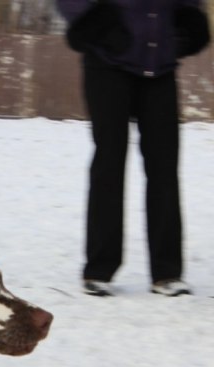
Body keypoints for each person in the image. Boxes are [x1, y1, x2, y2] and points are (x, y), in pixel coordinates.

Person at [56, 0, 210, 296]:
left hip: (160, 67)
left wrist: (189, 25)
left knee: (164, 168)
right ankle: (100, 268)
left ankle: (166, 273)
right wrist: (100, 25)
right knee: (109, 163)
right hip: (107, 63)